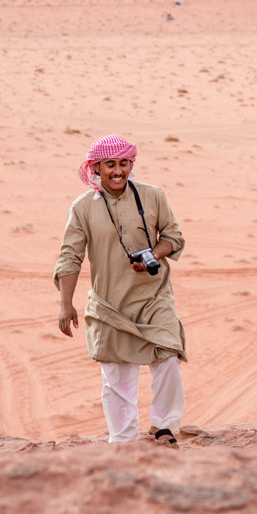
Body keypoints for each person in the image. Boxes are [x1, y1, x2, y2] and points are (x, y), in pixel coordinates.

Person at [54, 134, 187, 446]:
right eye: (109, 165)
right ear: (96, 168)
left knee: (168, 357)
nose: (117, 171)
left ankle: (163, 426)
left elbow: (174, 236)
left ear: (131, 165)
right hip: (109, 303)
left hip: (154, 297)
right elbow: (70, 256)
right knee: (118, 376)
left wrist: (156, 253)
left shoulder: (153, 196)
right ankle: (123, 439)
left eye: (123, 163)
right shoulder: (83, 208)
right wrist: (65, 304)